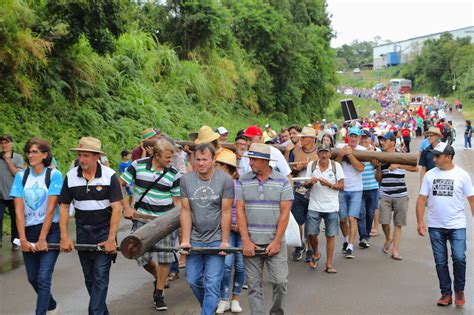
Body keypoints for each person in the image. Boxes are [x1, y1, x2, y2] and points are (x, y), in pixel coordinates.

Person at [59, 137, 123, 315]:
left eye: (86, 155)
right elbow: (64, 207)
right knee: (90, 279)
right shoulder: (71, 176)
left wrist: (111, 239)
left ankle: (94, 312)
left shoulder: (110, 175)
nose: (82, 159)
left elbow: (117, 208)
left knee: (100, 278)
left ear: (96, 157)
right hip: (82, 232)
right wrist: (64, 237)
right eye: (80, 155)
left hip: (104, 232)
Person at [120, 139, 181, 311]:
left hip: (166, 221)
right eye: (168, 157)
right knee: (140, 255)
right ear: (156, 155)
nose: (171, 160)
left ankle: (159, 294)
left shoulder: (173, 173)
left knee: (164, 257)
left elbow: (177, 201)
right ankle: (158, 276)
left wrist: (180, 222)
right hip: (141, 219)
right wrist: (126, 207)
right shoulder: (137, 165)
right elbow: (120, 184)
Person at [237, 143, 293, 315]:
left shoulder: (282, 181)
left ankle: (276, 312)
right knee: (254, 287)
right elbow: (240, 211)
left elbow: (285, 213)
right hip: (251, 243)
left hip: (275, 242)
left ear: (265, 161)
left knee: (280, 282)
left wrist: (276, 241)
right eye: (250, 159)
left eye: (254, 159)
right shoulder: (243, 180)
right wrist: (245, 240)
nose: (250, 162)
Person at [416, 142, 474, 308]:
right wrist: (420, 222)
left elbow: (471, 199)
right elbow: (421, 199)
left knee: (459, 258)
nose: (434, 159)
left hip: (457, 225)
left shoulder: (462, 175)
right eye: (433, 156)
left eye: (438, 156)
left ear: (448, 157)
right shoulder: (429, 175)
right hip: (436, 225)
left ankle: (459, 290)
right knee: (440, 261)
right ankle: (446, 293)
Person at [10, 137, 63, 314]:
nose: (31, 155)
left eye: (35, 152)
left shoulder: (54, 175)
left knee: (43, 278)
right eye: (29, 151)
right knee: (32, 278)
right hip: (29, 231)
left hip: (50, 231)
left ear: (44, 155)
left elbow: (51, 209)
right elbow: (18, 211)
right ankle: (53, 306)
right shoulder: (20, 176)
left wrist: (42, 238)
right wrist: (22, 238)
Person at [179, 143, 234, 315]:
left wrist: (225, 241)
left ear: (213, 160)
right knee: (193, 279)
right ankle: (212, 303)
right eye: (198, 160)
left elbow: (225, 212)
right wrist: (185, 240)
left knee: (212, 282)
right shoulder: (186, 180)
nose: (201, 163)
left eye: (205, 160)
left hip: (216, 238)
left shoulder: (225, 180)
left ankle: (207, 310)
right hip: (195, 238)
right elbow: (186, 211)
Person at [374, 132, 418, 260]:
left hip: (401, 194)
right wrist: (377, 168)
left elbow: (416, 168)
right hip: (385, 193)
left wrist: (399, 165)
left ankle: (395, 251)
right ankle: (388, 238)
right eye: (381, 141)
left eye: (385, 140)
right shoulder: (380, 157)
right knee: (384, 221)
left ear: (393, 142)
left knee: (398, 224)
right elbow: (378, 179)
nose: (382, 143)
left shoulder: (401, 156)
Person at [304, 144, 344, 272]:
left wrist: (329, 184)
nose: (324, 155)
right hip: (314, 204)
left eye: (326, 152)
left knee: (330, 235)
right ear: (317, 154)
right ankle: (316, 253)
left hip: (331, 206)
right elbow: (305, 184)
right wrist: (310, 182)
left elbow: (342, 186)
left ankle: (329, 264)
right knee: (311, 233)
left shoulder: (336, 166)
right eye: (321, 152)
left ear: (330, 154)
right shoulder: (312, 165)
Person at [215, 150, 245, 314]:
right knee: (226, 265)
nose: (215, 168)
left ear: (225, 168)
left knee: (240, 266)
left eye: (217, 165)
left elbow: (247, 209)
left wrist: (240, 225)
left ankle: (235, 298)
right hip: (226, 229)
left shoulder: (240, 186)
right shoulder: (216, 185)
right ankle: (223, 298)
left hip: (241, 230)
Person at [288, 126, 318, 262]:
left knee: (312, 221)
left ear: (312, 139)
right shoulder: (295, 151)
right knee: (298, 220)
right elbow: (289, 171)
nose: (302, 139)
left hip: (316, 191)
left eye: (304, 137)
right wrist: (295, 169)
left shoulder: (320, 152)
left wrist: (308, 166)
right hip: (298, 190)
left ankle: (310, 248)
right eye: (302, 137)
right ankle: (299, 245)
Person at [335, 127, 365, 259]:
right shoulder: (339, 146)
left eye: (356, 136)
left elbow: (360, 168)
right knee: (342, 219)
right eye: (351, 136)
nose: (353, 138)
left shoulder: (363, 151)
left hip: (356, 189)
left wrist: (350, 154)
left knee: (352, 218)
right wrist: (342, 154)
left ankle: (350, 247)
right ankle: (346, 240)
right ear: (348, 136)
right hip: (342, 189)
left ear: (359, 138)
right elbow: (334, 166)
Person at [0, 134, 24, 250]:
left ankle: (15, 241)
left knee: (16, 219)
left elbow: (18, 175)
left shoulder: (18, 157)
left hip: (14, 194)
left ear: (11, 144)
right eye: (2, 143)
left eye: (6, 143)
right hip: (0, 195)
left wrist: (8, 160)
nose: (4, 145)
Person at [358, 130, 379, 249]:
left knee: (370, 213)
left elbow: (380, 166)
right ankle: (363, 237)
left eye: (366, 138)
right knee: (361, 213)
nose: (363, 140)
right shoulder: (355, 150)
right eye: (362, 138)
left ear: (371, 139)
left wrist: (375, 161)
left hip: (372, 186)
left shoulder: (376, 151)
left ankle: (366, 236)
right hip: (359, 187)